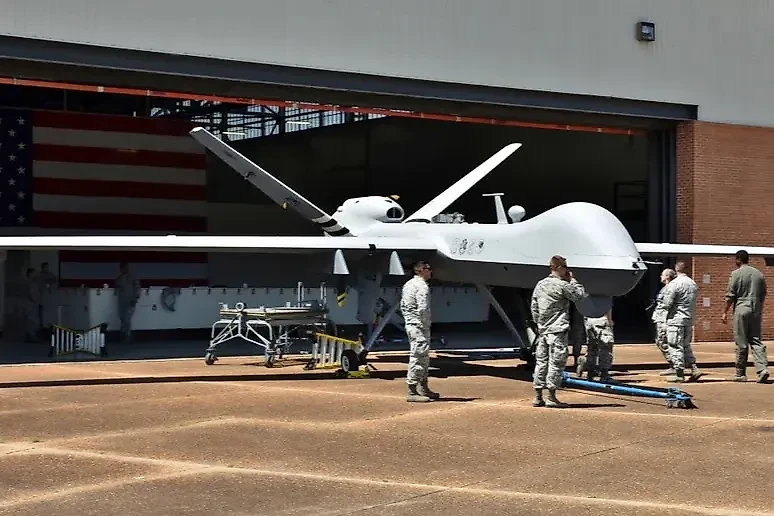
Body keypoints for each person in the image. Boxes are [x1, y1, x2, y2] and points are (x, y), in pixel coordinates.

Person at [530, 255, 587, 408]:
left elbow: (534, 308)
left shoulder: (540, 284)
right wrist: (573, 280)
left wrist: (540, 324)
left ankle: (537, 396)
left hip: (543, 330)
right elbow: (579, 295)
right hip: (557, 330)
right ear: (561, 268)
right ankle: (551, 396)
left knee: (541, 362)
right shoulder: (562, 285)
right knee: (556, 362)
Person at [722, 250, 769, 383]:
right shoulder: (759, 274)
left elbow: (730, 295)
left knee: (741, 342)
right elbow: (764, 293)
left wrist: (725, 312)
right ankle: (762, 369)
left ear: (738, 259)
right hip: (756, 309)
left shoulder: (736, 274)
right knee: (756, 340)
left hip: (742, 308)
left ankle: (740, 373)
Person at [400, 260, 439, 402]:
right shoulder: (421, 286)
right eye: (427, 268)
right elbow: (423, 308)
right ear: (420, 270)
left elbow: (403, 305)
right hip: (419, 325)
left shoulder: (408, 284)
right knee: (418, 355)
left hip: (412, 323)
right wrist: (425, 323)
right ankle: (412, 390)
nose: (430, 271)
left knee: (423, 356)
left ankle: (423, 387)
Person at [662, 261, 702, 383]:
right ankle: (694, 368)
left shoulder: (674, 284)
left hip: (676, 319)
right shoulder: (692, 283)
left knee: (675, 345)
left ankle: (679, 373)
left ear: (676, 270)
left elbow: (667, 303)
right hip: (688, 319)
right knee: (686, 345)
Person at [577, 308, 615, 382]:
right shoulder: (604, 295)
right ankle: (604, 375)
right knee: (605, 348)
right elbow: (607, 305)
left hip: (589, 320)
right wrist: (609, 321)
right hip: (602, 320)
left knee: (592, 347)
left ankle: (590, 372)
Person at [651, 268, 677, 376]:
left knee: (663, 341)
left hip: (664, 319)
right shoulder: (665, 288)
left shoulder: (669, 288)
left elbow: (667, 304)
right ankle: (673, 364)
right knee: (661, 341)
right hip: (660, 317)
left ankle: (674, 365)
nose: (661, 276)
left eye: (662, 275)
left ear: (667, 276)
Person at [114, 262, 141, 343]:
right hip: (122, 302)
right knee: (122, 318)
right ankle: (123, 336)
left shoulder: (132, 278)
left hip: (130, 301)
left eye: (125, 268)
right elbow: (117, 285)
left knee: (127, 319)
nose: (123, 269)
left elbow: (138, 289)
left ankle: (128, 336)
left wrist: (135, 299)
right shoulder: (119, 279)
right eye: (122, 268)